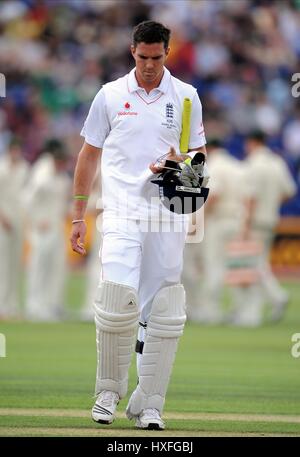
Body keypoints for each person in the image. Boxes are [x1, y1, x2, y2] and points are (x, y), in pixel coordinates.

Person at [70, 20, 207, 430]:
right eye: (143, 57)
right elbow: (88, 156)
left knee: (162, 312)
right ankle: (108, 394)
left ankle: (150, 403)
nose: (149, 65)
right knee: (116, 298)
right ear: (133, 51)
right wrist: (78, 214)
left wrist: (179, 165)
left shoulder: (186, 97)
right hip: (122, 211)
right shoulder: (110, 95)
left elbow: (198, 156)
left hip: (166, 217)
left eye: (157, 57)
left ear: (168, 52)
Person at [231, 131, 297, 325]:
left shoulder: (253, 164)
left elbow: (250, 198)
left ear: (252, 143)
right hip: (270, 220)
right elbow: (289, 192)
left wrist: (245, 225)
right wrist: (271, 205)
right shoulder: (277, 162)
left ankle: (277, 296)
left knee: (253, 264)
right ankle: (275, 298)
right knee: (259, 262)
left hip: (254, 222)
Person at [25, 139, 72, 321]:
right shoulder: (42, 172)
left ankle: (53, 305)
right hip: (41, 229)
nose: (62, 164)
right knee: (39, 267)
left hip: (56, 226)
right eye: (60, 161)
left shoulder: (62, 178)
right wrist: (37, 220)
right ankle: (34, 306)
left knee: (57, 267)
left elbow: (63, 202)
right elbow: (27, 199)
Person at [0, 137, 29, 319]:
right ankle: (2, 305)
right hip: (3, 222)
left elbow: (25, 197)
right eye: (14, 150)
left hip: (18, 220)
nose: (17, 154)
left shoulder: (24, 168)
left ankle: (12, 304)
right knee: (3, 264)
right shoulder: (1, 169)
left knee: (15, 264)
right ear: (9, 150)